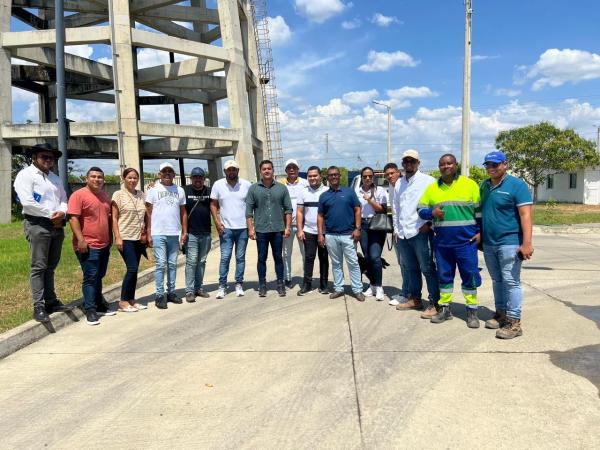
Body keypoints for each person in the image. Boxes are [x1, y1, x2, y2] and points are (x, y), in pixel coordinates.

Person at [417, 154, 482, 328]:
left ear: (455, 165)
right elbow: (420, 209)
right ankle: (445, 309)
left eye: (449, 163)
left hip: (466, 243)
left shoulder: (470, 185)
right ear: (439, 167)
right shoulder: (432, 188)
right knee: (444, 277)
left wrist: (480, 232)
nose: (446, 167)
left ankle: (472, 311)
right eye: (442, 164)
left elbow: (479, 213)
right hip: (443, 244)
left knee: (469, 276)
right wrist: (431, 214)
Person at [13, 143, 70, 322]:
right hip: (37, 224)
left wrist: (62, 212)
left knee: (51, 266)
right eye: (44, 157)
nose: (48, 160)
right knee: (38, 267)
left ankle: (51, 301)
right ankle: (38, 306)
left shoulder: (55, 178)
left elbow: (63, 199)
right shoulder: (26, 175)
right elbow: (28, 202)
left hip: (57, 225)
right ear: (34, 157)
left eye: (51, 158)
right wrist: (50, 214)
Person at [480, 151, 533, 339]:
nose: (491, 168)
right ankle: (501, 313)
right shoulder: (484, 186)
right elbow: (483, 212)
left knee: (511, 281)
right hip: (489, 243)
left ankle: (514, 322)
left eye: (495, 164)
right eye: (488, 165)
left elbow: (525, 215)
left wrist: (526, 243)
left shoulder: (517, 185)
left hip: (510, 242)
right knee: (497, 280)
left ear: (504, 164)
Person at [393, 150, 441, 319]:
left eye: (412, 161)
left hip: (420, 232)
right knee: (411, 269)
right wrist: (396, 230)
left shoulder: (428, 181)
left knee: (427, 268)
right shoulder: (399, 183)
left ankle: (435, 302)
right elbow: (396, 208)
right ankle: (415, 299)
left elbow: (437, 204)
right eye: (406, 161)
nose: (409, 164)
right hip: (404, 234)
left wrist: (429, 224)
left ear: (418, 163)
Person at [68, 167, 116, 325]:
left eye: (100, 177)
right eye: (93, 176)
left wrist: (110, 238)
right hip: (87, 244)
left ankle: (99, 304)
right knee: (90, 277)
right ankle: (90, 309)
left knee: (99, 275)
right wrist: (80, 239)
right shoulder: (78, 195)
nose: (97, 179)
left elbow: (108, 219)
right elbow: (73, 218)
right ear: (86, 179)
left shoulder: (104, 196)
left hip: (104, 244)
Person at [246, 160, 293, 297]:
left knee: (278, 257)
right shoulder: (253, 189)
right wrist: (250, 229)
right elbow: (249, 211)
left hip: (278, 229)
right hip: (261, 230)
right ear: (260, 171)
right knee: (261, 258)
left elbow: (288, 209)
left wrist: (288, 227)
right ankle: (262, 285)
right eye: (264, 169)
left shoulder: (282, 188)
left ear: (273, 171)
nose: (267, 171)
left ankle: (280, 284)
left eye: (269, 169)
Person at [317, 166, 364, 301]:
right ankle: (339, 288)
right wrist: (321, 234)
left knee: (353, 263)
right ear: (327, 177)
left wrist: (357, 228)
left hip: (349, 235)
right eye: (331, 175)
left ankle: (357, 290)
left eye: (336, 175)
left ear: (340, 176)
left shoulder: (349, 192)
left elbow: (357, 210)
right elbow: (320, 216)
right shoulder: (324, 196)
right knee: (336, 263)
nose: (334, 177)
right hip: (331, 235)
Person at [146, 162, 188, 309]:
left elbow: (183, 212)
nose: (167, 174)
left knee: (172, 264)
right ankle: (159, 295)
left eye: (170, 172)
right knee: (161, 264)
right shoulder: (153, 189)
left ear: (174, 175)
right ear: (159, 174)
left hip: (174, 233)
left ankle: (171, 292)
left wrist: (184, 231)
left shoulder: (180, 190)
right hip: (158, 233)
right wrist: (148, 232)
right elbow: (148, 212)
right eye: (164, 172)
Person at [210, 159, 251, 299]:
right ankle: (222, 286)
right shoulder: (218, 185)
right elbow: (213, 205)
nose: (231, 172)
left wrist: (251, 225)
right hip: (226, 229)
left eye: (234, 169)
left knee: (240, 258)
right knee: (225, 257)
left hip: (243, 228)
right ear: (225, 171)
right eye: (229, 169)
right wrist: (217, 222)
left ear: (237, 171)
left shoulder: (246, 185)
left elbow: (251, 205)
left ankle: (239, 284)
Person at [111, 167, 148, 313]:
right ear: (124, 179)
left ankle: (132, 299)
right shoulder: (118, 195)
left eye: (135, 178)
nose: (132, 180)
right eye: (129, 178)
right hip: (125, 236)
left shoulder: (141, 195)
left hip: (138, 237)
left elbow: (146, 215)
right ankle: (123, 301)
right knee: (131, 268)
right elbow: (114, 217)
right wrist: (118, 237)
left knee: (135, 269)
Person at [356, 166, 388, 301]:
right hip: (362, 225)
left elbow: (383, 209)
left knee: (375, 257)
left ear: (373, 177)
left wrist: (369, 200)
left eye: (370, 176)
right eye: (365, 176)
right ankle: (372, 285)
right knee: (368, 257)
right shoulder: (356, 192)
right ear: (361, 177)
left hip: (376, 225)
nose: (367, 178)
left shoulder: (380, 191)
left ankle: (379, 286)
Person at [296, 165, 329, 295]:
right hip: (308, 231)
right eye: (310, 176)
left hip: (325, 231)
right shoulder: (303, 192)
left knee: (324, 258)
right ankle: (307, 284)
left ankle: (324, 284)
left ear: (320, 176)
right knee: (309, 258)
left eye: (315, 175)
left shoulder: (327, 191)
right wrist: (300, 230)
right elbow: (299, 212)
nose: (312, 178)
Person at [183, 167, 212, 303]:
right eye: (195, 177)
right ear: (191, 178)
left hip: (206, 232)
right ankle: (189, 291)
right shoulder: (185, 190)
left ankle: (198, 288)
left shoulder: (209, 191)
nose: (198, 179)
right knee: (191, 262)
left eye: (200, 177)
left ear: (203, 179)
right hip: (191, 233)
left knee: (201, 262)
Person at [282, 159, 308, 288]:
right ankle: (287, 278)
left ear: (298, 169)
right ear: (285, 170)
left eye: (294, 167)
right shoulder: (281, 185)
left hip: (302, 226)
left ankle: (305, 278)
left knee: (305, 253)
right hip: (286, 226)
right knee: (286, 253)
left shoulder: (305, 183)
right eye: (289, 168)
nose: (292, 170)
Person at [384, 162, 405, 306]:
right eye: (387, 174)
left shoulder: (404, 184)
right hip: (397, 231)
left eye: (392, 173)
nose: (390, 176)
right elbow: (393, 211)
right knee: (402, 263)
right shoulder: (391, 188)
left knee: (413, 265)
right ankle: (406, 291)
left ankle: (409, 293)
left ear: (398, 172)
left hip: (410, 232)